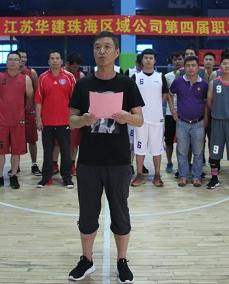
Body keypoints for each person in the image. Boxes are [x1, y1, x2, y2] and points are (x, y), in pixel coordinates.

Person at [67, 31, 143, 283]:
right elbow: (71, 120)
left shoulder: (126, 84)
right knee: (88, 213)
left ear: (117, 52)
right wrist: (83, 120)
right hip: (89, 161)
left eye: (107, 46)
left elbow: (139, 119)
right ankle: (86, 260)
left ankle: (122, 260)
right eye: (98, 47)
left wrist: (126, 117)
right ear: (93, 51)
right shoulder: (83, 85)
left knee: (120, 212)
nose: (102, 51)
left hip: (118, 161)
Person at [0, 51, 33, 190]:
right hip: (2, 121)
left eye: (15, 60)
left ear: (20, 62)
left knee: (16, 151)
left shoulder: (25, 79)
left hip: (18, 121)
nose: (13, 62)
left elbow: (30, 98)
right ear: (6, 62)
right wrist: (3, 108)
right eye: (10, 59)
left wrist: (20, 110)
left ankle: (13, 175)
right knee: (0, 150)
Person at [34, 50, 76, 188]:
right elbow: (38, 100)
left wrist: (73, 118)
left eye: (57, 58)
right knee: (48, 151)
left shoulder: (69, 77)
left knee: (65, 151)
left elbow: (74, 100)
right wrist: (38, 119)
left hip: (65, 121)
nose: (55, 60)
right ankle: (46, 177)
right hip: (48, 122)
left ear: (61, 61)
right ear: (48, 61)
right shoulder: (42, 78)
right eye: (52, 58)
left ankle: (67, 177)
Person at [206, 53, 229, 190]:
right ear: (220, 66)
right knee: (215, 150)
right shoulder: (214, 82)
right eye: (224, 63)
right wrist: (219, 111)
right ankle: (214, 177)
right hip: (217, 121)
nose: (227, 66)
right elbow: (209, 102)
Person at [131, 48, 168, 188]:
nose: (148, 60)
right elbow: (131, 97)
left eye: (151, 58)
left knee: (156, 150)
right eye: (146, 58)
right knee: (139, 149)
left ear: (155, 60)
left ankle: (157, 175)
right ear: (142, 60)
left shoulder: (160, 76)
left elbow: (165, 95)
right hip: (140, 120)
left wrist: (155, 106)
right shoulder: (135, 77)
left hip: (156, 120)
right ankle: (139, 174)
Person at [168, 55, 207, 187]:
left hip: (198, 123)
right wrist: (173, 110)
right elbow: (170, 94)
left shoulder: (204, 84)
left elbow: (206, 102)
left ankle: (197, 177)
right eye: (188, 66)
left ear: (198, 68)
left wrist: (206, 118)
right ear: (184, 67)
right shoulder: (178, 82)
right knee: (182, 152)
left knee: (198, 153)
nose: (190, 68)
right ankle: (183, 176)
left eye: (193, 65)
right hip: (182, 123)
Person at [58, 52, 85, 176]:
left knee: (74, 141)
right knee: (58, 142)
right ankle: (55, 163)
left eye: (77, 67)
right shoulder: (60, 74)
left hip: (75, 112)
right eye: (74, 67)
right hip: (60, 112)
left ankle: (72, 163)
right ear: (67, 64)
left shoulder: (80, 76)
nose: (76, 69)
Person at [16, 48, 42, 176]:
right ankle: (16, 165)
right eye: (21, 57)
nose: (23, 59)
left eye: (25, 57)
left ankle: (34, 164)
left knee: (32, 139)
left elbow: (38, 94)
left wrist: (38, 114)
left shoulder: (31, 73)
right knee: (15, 139)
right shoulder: (10, 73)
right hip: (15, 112)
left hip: (29, 111)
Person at [163, 51, 184, 173]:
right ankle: (169, 162)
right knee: (169, 140)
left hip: (184, 113)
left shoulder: (188, 76)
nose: (177, 62)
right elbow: (165, 95)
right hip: (170, 113)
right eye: (175, 60)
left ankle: (182, 164)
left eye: (180, 59)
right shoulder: (167, 77)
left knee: (182, 141)